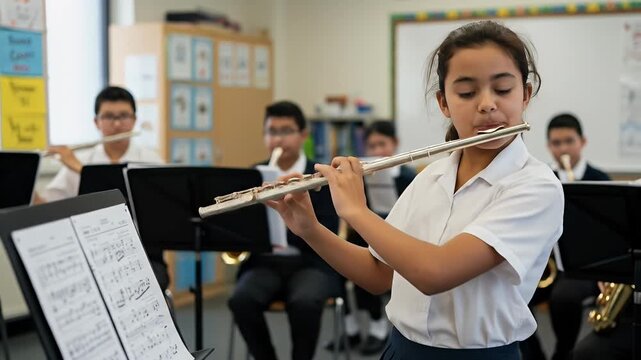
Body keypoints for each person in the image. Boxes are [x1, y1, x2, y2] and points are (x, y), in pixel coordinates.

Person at [267, 20, 563, 359]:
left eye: (503, 89)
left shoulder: (536, 186)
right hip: (401, 350)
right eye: (466, 93)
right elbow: (379, 275)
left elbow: (435, 273)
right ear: (444, 103)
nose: (486, 104)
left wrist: (355, 211)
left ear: (525, 95)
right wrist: (310, 230)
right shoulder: (431, 176)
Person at [227, 100, 341, 360]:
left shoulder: (319, 176)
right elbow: (242, 228)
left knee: (305, 302)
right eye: (271, 131)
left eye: (286, 131)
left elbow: (329, 229)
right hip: (264, 262)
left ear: (303, 135)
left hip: (310, 263)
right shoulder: (254, 176)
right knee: (241, 300)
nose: (278, 139)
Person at [35, 86, 168, 289]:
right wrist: (23, 175)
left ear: (134, 120)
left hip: (142, 255)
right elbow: (45, 207)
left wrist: (81, 170)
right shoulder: (81, 159)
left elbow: (139, 207)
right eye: (108, 117)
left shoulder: (151, 162)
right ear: (96, 122)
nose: (116, 124)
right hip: (89, 255)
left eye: (123, 116)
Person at [521, 113, 610, 360]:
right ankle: (534, 355)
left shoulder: (600, 180)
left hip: (585, 269)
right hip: (549, 267)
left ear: (583, 141)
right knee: (515, 294)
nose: (563, 149)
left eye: (569, 141)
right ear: (549, 146)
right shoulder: (541, 179)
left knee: (564, 298)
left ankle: (563, 353)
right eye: (556, 143)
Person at [325, 120, 416, 355]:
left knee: (371, 260)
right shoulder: (364, 175)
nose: (376, 152)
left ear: (394, 144)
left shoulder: (408, 175)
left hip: (401, 237)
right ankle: (351, 327)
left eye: (382, 144)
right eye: (371, 146)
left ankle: (377, 327)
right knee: (342, 261)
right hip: (370, 234)